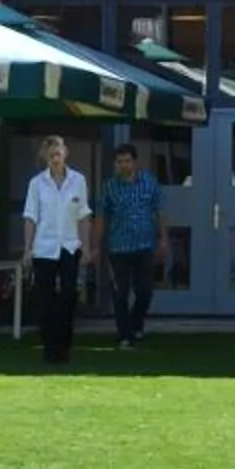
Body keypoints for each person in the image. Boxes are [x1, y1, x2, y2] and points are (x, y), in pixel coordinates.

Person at [19, 134, 94, 365]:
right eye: (51, 155)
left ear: (65, 154)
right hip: (44, 248)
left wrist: (87, 247)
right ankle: (50, 348)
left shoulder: (78, 181)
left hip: (69, 247)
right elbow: (30, 217)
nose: (55, 159)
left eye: (58, 154)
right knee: (45, 300)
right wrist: (27, 249)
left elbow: (83, 216)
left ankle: (65, 346)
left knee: (69, 296)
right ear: (46, 158)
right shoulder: (37, 184)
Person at [98, 141, 165, 348]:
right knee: (120, 292)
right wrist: (95, 245)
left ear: (135, 162)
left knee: (145, 291)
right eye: (119, 162)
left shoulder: (149, 182)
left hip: (144, 245)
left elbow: (159, 211)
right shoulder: (109, 187)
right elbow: (101, 217)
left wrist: (163, 238)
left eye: (127, 161)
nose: (124, 165)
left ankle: (136, 324)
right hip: (118, 247)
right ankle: (124, 334)